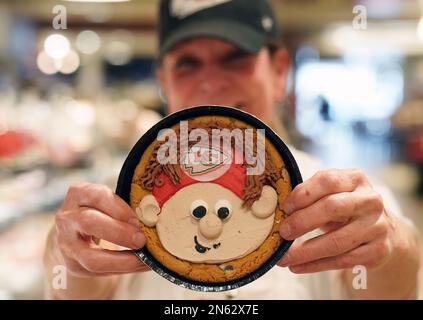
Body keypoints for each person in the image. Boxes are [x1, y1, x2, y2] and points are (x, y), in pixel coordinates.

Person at [44, 0, 420, 299]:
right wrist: (65, 254)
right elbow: (78, 293)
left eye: (235, 57)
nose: (211, 83)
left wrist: (394, 250)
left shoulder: (341, 201)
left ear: (277, 71)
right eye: (187, 63)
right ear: (164, 82)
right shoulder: (121, 202)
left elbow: (394, 290)